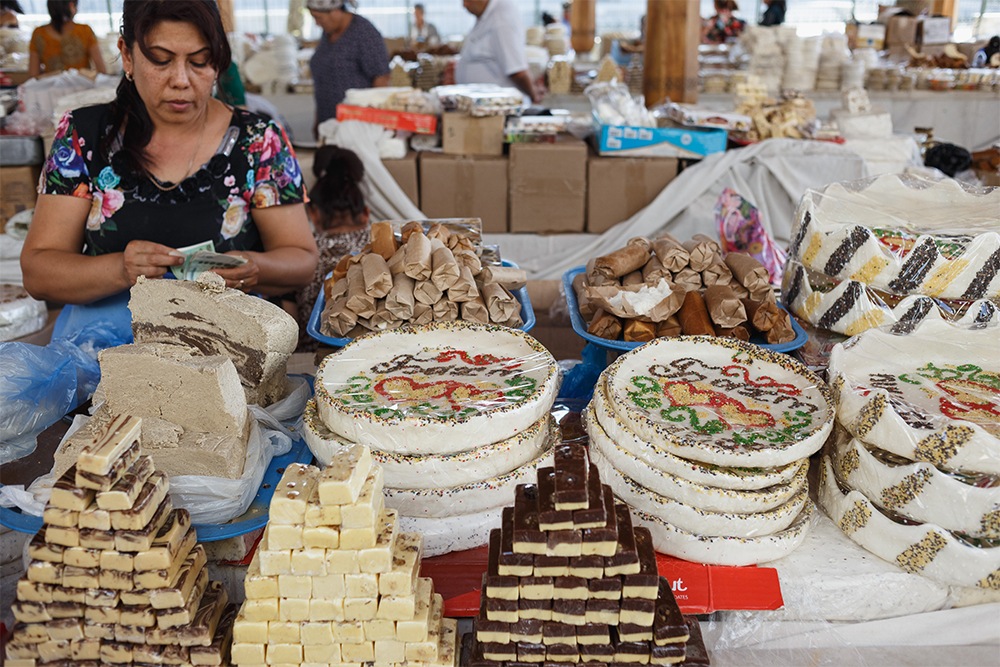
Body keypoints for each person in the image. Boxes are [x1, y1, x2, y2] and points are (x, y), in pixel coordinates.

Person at [21, 0, 318, 341]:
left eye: (199, 61)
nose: (181, 80)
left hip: (228, 356)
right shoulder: (84, 136)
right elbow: (38, 273)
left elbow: (302, 260)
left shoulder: (258, 141)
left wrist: (254, 267)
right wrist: (120, 269)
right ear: (127, 55)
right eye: (160, 60)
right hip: (100, 356)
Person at [287, 145, 370, 350]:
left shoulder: (300, 251)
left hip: (314, 358)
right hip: (374, 351)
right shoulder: (380, 246)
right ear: (366, 213)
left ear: (313, 214)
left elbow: (288, 323)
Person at [309, 0, 390, 136]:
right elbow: (324, 77)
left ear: (336, 12)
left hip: (356, 125)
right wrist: (318, 119)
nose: (317, 23)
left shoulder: (364, 32)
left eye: (319, 18)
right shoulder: (328, 33)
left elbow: (381, 76)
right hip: (328, 120)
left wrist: (374, 123)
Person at [457, 0, 541, 103]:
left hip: (500, 108)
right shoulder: (486, 16)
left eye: (467, 0)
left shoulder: (502, 18)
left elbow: (517, 70)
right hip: (484, 107)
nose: (464, 5)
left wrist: (534, 95)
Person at [28, 0, 107, 77]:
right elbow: (101, 69)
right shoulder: (84, 31)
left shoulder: (39, 33)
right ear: (71, 5)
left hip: (52, 89)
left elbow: (33, 75)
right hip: (84, 88)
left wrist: (53, 76)